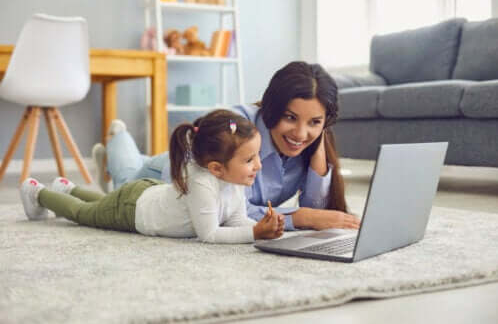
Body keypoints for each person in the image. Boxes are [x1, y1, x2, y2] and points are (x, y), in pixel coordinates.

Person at [93, 61, 361, 232]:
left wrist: (318, 148)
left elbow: (318, 209)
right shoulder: (234, 127)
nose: (300, 133)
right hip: (168, 177)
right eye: (290, 117)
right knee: (126, 178)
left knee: (133, 166)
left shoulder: (309, 142)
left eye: (315, 121)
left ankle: (125, 150)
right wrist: (301, 217)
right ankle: (118, 137)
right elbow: (223, 210)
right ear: (272, 108)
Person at [19, 110, 284, 244]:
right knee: (83, 214)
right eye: (250, 160)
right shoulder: (202, 182)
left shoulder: (234, 180)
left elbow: (235, 219)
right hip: (133, 210)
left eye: (257, 156)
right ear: (216, 168)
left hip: (145, 193)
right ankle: (37, 192)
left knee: (100, 203)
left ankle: (68, 188)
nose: (258, 165)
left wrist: (262, 227)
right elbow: (210, 234)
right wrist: (254, 233)